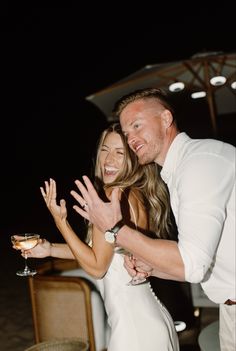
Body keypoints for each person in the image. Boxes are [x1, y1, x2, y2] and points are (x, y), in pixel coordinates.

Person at [70, 88, 236, 351]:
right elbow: (195, 266)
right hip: (229, 308)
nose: (131, 137)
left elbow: (191, 264)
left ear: (166, 118)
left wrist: (114, 228)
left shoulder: (200, 164)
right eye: (126, 132)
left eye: (137, 125)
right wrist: (152, 267)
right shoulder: (177, 172)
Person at [14, 123, 179, 351]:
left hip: (134, 330)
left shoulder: (113, 196)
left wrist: (61, 222)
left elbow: (97, 267)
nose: (108, 159)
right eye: (104, 149)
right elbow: (103, 255)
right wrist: (50, 248)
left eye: (119, 152)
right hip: (149, 320)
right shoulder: (134, 194)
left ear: (133, 158)